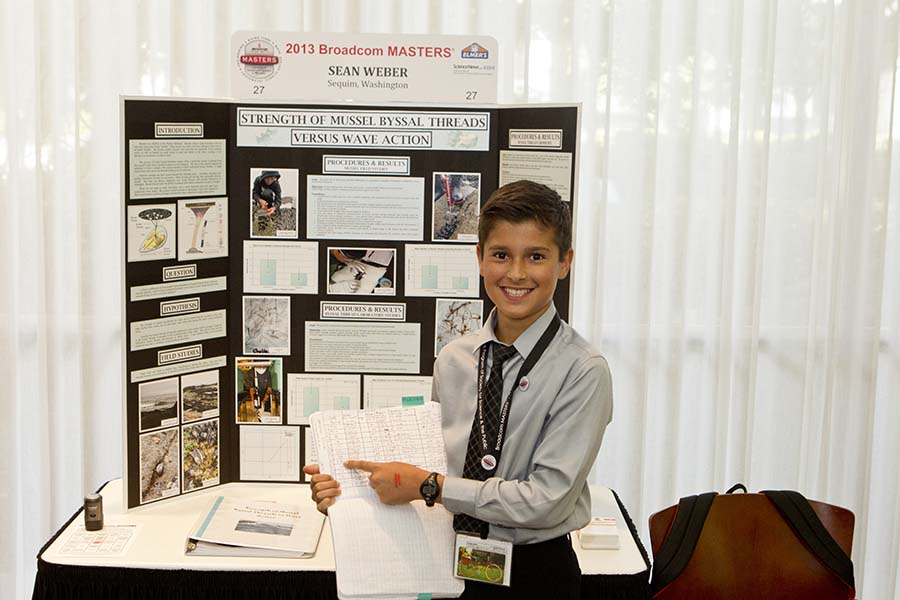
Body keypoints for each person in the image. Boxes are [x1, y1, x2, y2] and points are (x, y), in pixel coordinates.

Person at [304, 180, 613, 598]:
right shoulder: (454, 359)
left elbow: (547, 500)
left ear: (564, 263)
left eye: (536, 256)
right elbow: (430, 470)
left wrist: (429, 485)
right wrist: (348, 495)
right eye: (501, 255)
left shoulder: (583, 370)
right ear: (480, 259)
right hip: (448, 563)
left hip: (536, 574)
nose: (516, 273)